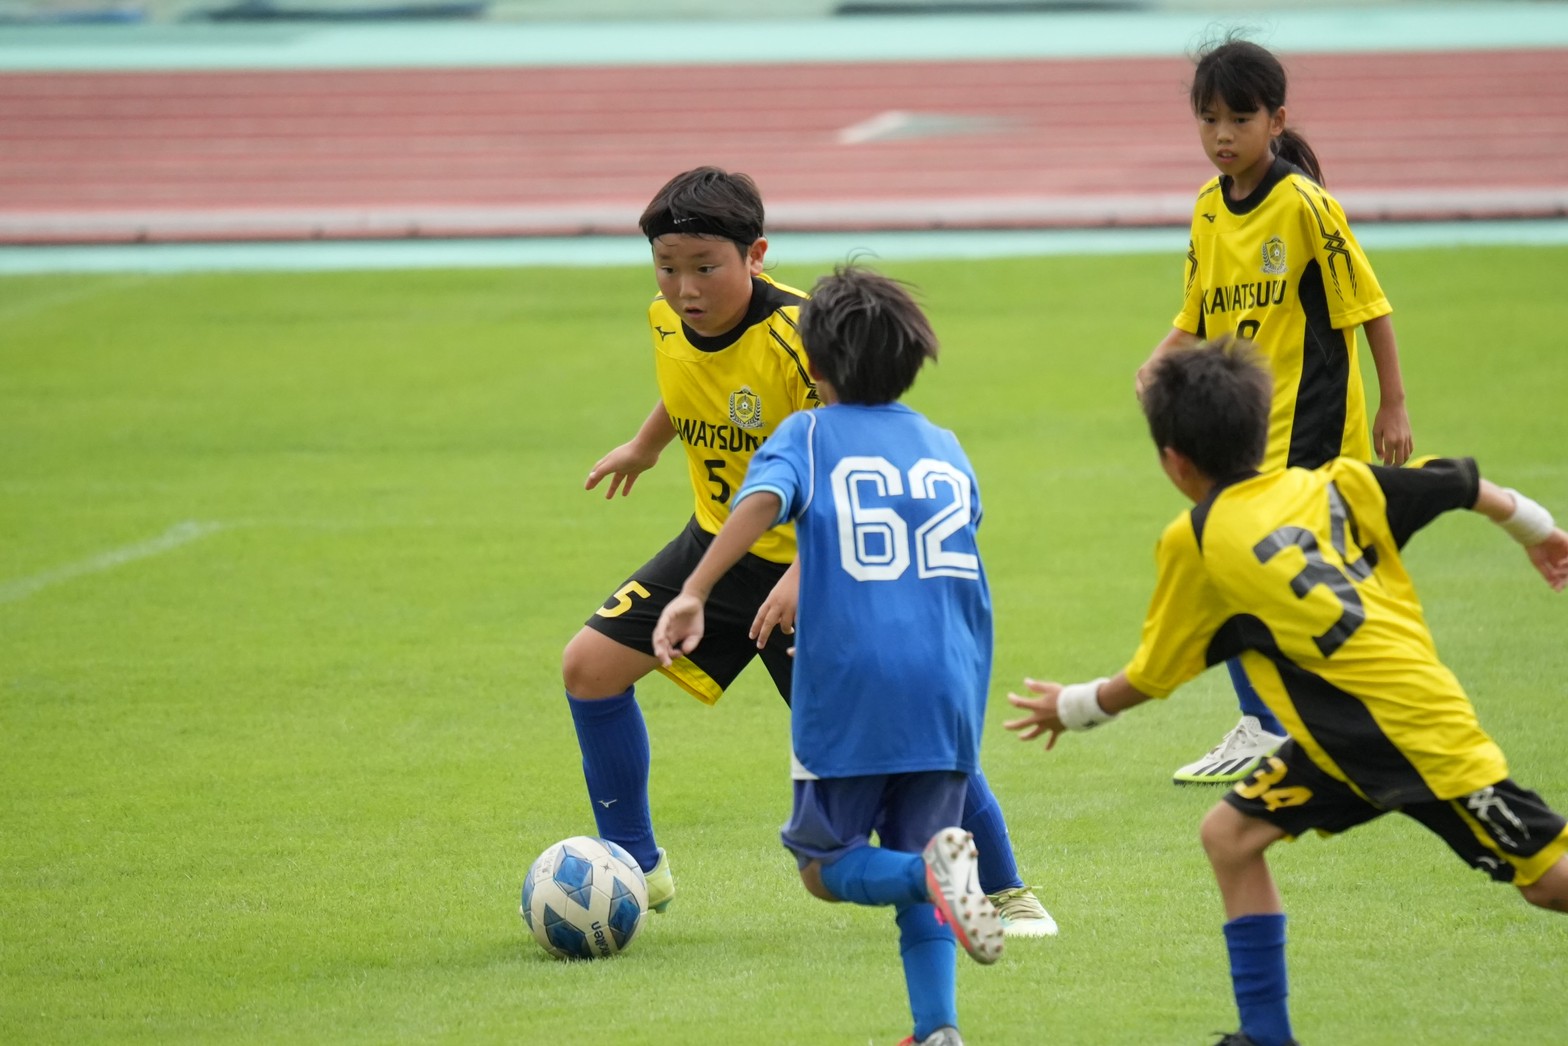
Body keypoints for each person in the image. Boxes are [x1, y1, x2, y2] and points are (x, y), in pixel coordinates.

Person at [1007, 339, 1568, 1046]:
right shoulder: (1334, 482)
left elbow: (1151, 677)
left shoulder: (1200, 540)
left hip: (1414, 737)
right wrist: (1538, 530)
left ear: (1174, 462)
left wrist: (1071, 707)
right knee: (1231, 836)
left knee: (1549, 884)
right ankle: (1266, 1037)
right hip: (1339, 742)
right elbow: (1456, 482)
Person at [562, 166, 1055, 936]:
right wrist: (645, 445)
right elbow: (690, 378)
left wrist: (802, 573)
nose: (684, 288)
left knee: (905, 734)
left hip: (826, 564)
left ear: (754, 255)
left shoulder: (806, 336)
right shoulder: (664, 317)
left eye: (704, 268)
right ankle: (636, 862)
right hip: (719, 547)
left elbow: (850, 455)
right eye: (667, 268)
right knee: (589, 668)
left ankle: (1006, 889)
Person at [653, 265, 1006, 1046]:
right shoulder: (947, 447)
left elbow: (763, 501)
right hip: (951, 682)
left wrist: (697, 590)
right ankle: (938, 1029)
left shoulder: (807, 432)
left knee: (824, 863)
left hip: (856, 684)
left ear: (811, 366)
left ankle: (930, 878)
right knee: (922, 846)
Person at [1137, 35, 1417, 785]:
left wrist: (1393, 404)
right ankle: (1292, 722)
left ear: (1276, 119)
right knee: (1249, 570)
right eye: (1208, 120)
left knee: (1248, 568)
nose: (1222, 135)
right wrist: (1158, 360)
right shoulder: (1206, 208)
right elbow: (1198, 311)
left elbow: (1370, 305)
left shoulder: (1303, 206)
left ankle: (1283, 724)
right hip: (1241, 428)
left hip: (1313, 425)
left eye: (1239, 118)